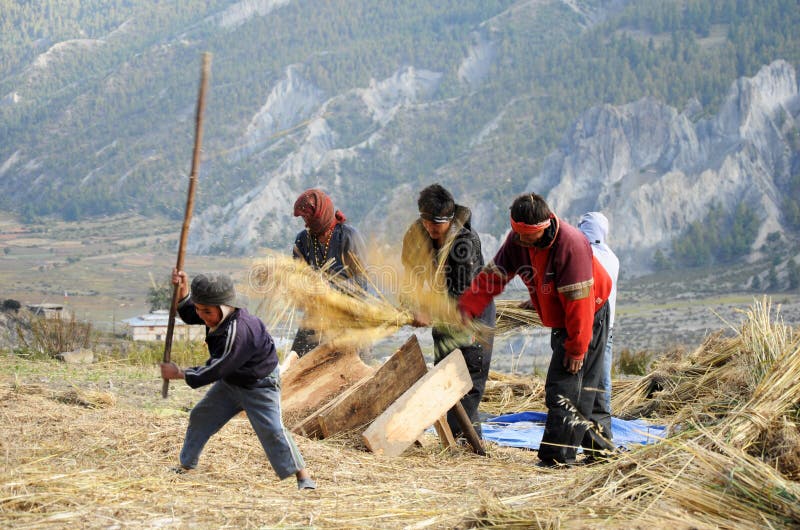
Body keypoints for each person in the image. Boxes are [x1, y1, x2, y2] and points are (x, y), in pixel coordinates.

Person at [458, 193, 614, 466]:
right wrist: (465, 309)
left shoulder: (571, 245)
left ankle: (556, 460)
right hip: (564, 315)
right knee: (589, 388)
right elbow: (493, 278)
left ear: (542, 227)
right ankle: (601, 453)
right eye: (515, 232)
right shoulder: (518, 240)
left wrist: (577, 349)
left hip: (586, 318)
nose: (519, 240)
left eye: (525, 235)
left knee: (565, 388)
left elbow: (580, 306)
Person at [160, 269, 316, 490]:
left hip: (259, 385)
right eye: (199, 309)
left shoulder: (240, 330)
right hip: (231, 382)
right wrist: (183, 289)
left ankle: (304, 477)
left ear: (224, 307)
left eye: (206, 312)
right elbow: (188, 313)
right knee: (200, 416)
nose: (202, 316)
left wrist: (179, 373)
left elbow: (217, 367)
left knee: (272, 430)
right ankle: (187, 465)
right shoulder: (214, 311)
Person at [401, 183, 496, 439]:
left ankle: (466, 448)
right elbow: (409, 277)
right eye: (426, 221)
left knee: (466, 383)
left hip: (472, 316)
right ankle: (461, 445)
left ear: (450, 218)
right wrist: (412, 305)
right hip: (443, 320)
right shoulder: (416, 235)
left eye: (437, 223)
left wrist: (429, 312)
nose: (432, 228)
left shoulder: (465, 242)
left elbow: (462, 295)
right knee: (445, 380)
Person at [291, 188, 367, 356]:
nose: (306, 224)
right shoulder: (303, 240)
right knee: (298, 362)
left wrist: (331, 289)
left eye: (309, 218)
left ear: (321, 215)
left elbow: (361, 282)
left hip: (349, 315)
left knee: (352, 369)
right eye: (303, 219)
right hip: (316, 316)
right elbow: (297, 275)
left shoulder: (348, 236)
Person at [578, 212, 619, 416]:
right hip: (607, 329)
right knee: (602, 379)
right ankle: (602, 418)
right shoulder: (612, 257)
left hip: (586, 327)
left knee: (579, 377)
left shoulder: (585, 256)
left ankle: (581, 419)